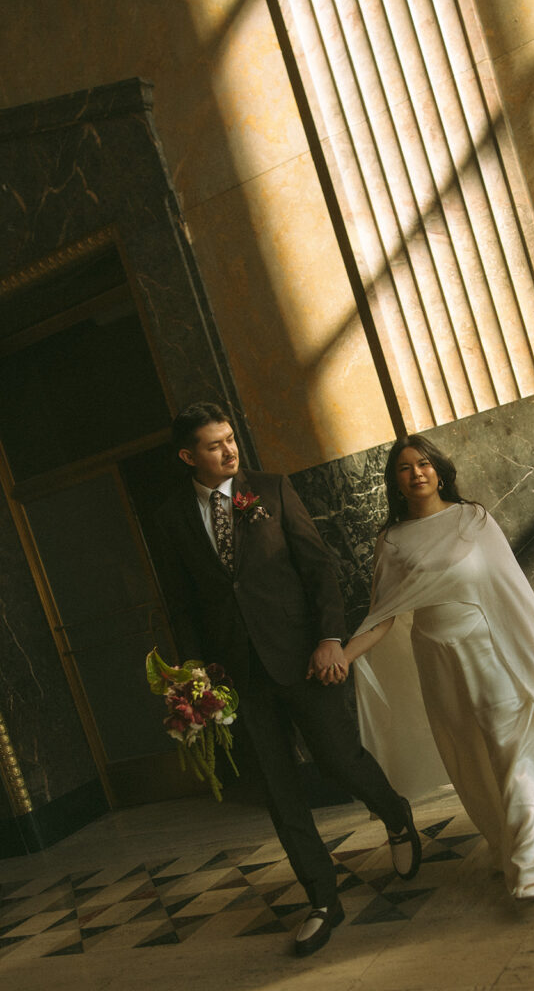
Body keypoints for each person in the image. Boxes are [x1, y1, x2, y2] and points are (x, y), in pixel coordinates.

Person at [329, 434, 534, 901]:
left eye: (424, 463)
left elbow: (513, 592)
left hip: (489, 649)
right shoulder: (392, 540)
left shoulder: (473, 519)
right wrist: (344, 656)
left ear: (439, 470)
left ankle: (530, 863)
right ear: (395, 482)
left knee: (512, 748)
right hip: (437, 659)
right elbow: (383, 613)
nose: (417, 473)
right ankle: (512, 844)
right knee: (471, 757)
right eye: (405, 468)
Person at [154, 403, 421, 956]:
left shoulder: (271, 491)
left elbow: (317, 566)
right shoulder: (173, 517)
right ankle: (323, 898)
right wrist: (196, 671)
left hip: (303, 656)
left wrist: (330, 638)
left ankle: (395, 814)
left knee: (338, 759)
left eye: (231, 439)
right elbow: (182, 602)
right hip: (237, 678)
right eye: (214, 445)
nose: (230, 451)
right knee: (279, 789)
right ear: (187, 457)